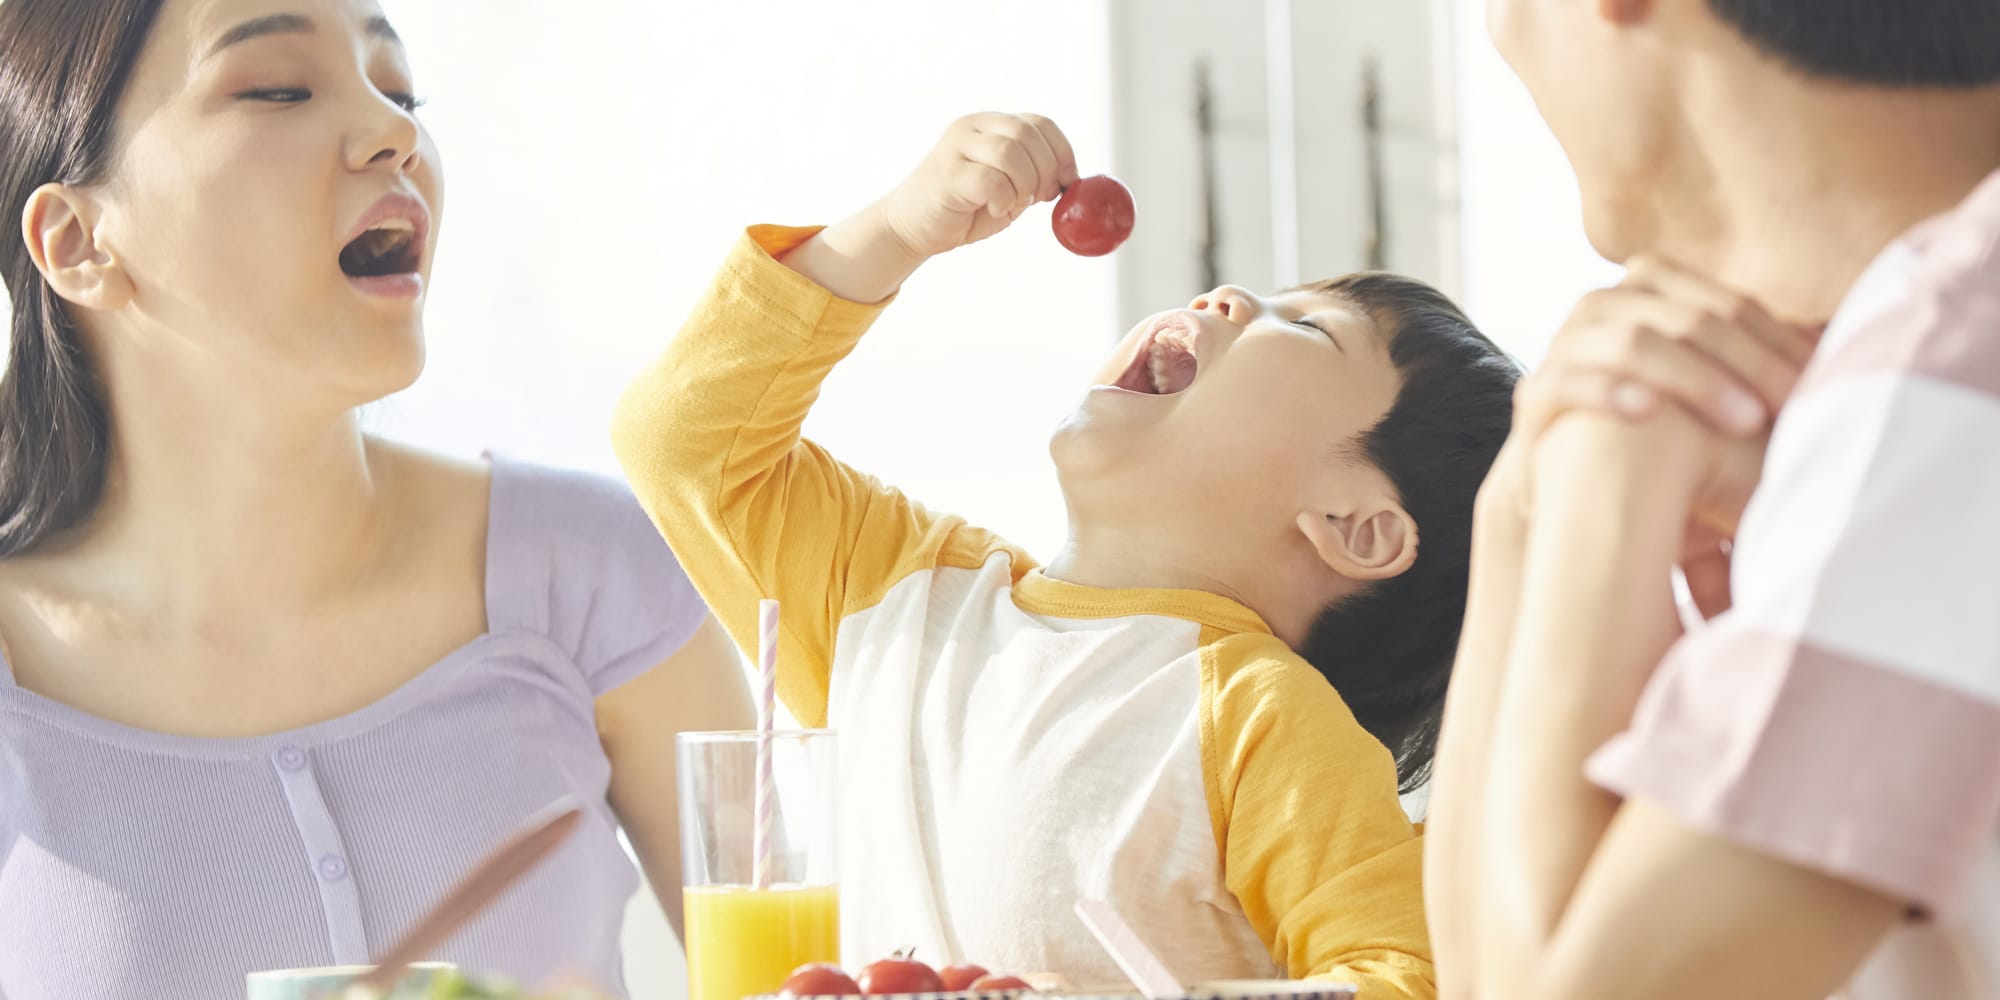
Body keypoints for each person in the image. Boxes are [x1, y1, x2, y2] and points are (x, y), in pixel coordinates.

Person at [612, 111, 1519, 999]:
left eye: (1308, 327)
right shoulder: (902, 592)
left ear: (1356, 526)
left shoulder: (1266, 721)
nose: (1233, 296)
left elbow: (1403, 977)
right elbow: (683, 443)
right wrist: (890, 234)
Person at [0, 1, 752, 996]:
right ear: (79, 241)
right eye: (277, 87)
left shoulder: (594, 575)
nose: (397, 133)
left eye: (399, 92)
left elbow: (806, 972)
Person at [1424, 2, 2000, 998]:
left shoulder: (1954, 353)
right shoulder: (1905, 361)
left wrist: (1602, 468)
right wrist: (1520, 508)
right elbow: (1486, 973)